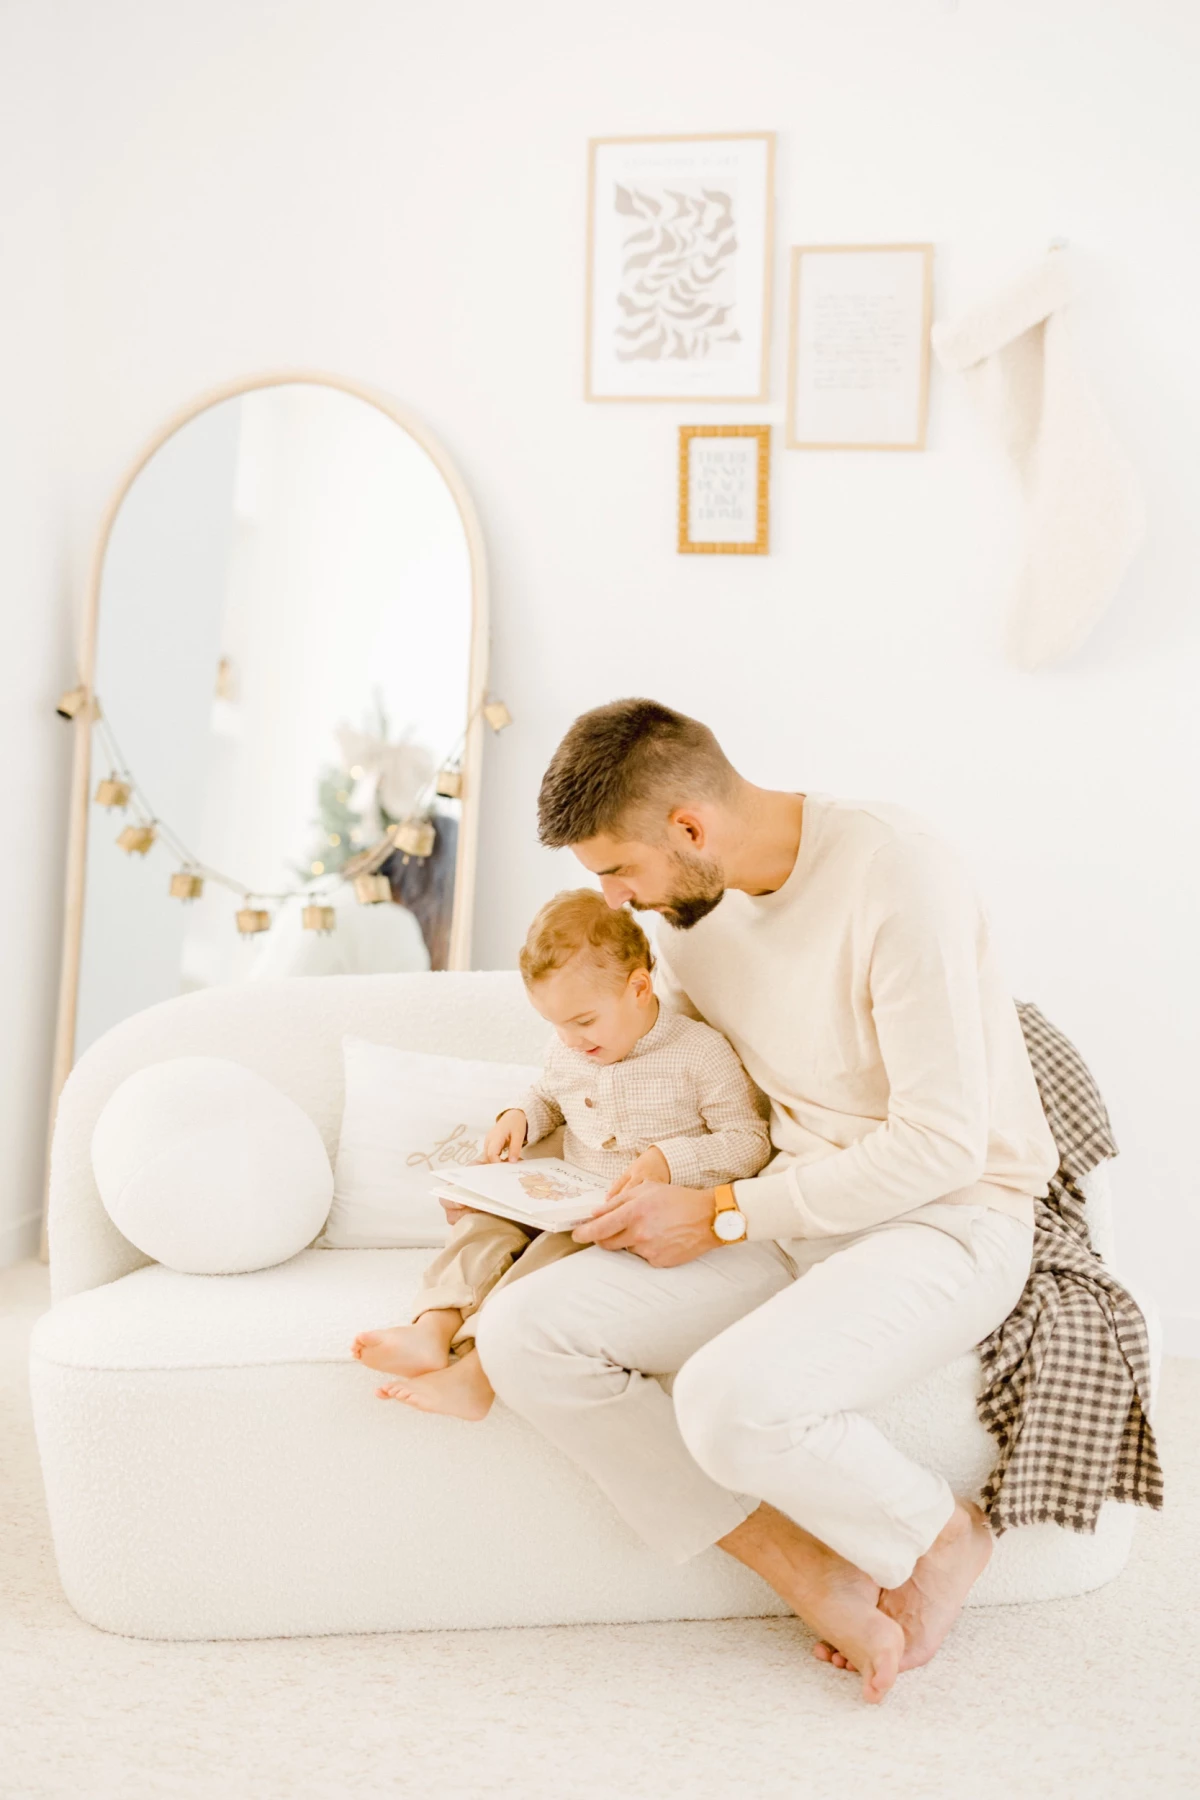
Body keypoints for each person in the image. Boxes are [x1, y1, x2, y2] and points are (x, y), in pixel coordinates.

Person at [470, 699, 1059, 1706]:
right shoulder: (686, 918)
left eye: (619, 869)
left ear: (689, 828)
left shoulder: (896, 873)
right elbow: (662, 1070)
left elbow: (940, 1146)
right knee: (522, 1333)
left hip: (947, 1219)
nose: (613, 898)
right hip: (788, 1205)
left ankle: (942, 1535)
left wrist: (725, 1214)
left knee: (727, 1402)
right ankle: (809, 1569)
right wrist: (555, 1162)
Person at [351, 886, 770, 1419]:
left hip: (624, 1216)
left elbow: (750, 1141)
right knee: (481, 1226)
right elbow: (550, 1094)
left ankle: (476, 1372)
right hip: (560, 1194)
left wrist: (669, 1159)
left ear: (639, 987)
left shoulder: (699, 1053)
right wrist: (520, 1117)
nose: (569, 1039)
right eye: (554, 1024)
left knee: (549, 1261)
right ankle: (431, 1328)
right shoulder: (567, 1049)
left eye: (583, 1022)